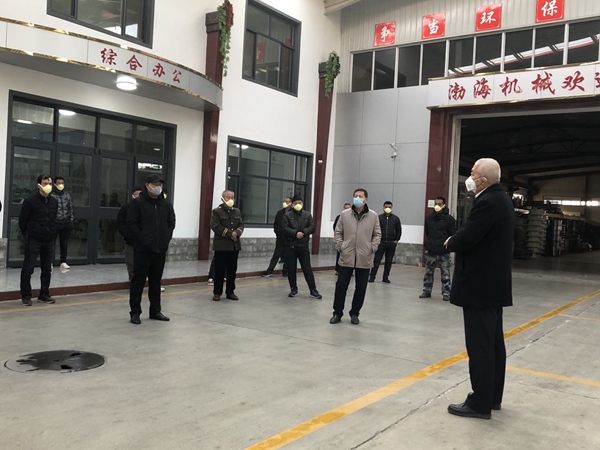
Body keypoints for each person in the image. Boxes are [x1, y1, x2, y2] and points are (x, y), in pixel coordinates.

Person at [445, 158, 514, 420]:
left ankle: (480, 403)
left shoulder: (487, 202)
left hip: (480, 287)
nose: (470, 177)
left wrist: (452, 241)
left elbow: (468, 237)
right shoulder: (502, 199)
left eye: (473, 173)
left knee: (480, 347)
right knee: (493, 344)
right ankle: (492, 396)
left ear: (483, 180)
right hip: (493, 287)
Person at [127, 174, 176, 324]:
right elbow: (131, 224)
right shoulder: (137, 203)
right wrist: (142, 239)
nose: (158, 187)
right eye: (155, 184)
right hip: (142, 250)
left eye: (160, 184)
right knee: (138, 281)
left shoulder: (165, 205)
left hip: (159, 250)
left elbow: (171, 223)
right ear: (147, 185)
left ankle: (155, 311)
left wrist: (165, 239)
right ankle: (135, 312)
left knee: (156, 282)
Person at [330, 188, 381, 325]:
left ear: (366, 199)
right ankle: (337, 313)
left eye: (360, 196)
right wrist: (341, 246)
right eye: (355, 196)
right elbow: (338, 232)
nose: (357, 198)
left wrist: (372, 248)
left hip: (364, 258)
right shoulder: (344, 214)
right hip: (346, 257)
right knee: (341, 286)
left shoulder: (373, 216)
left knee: (361, 288)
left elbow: (377, 234)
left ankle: (354, 313)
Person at [19, 174, 59, 306]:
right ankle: (26, 295)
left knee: (47, 269)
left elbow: (54, 219)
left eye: (50, 183)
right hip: (34, 239)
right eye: (45, 183)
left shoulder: (54, 202)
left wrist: (53, 233)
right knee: (28, 268)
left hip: (49, 240)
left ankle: (44, 294)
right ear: (39, 185)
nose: (48, 185)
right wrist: (29, 234)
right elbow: (22, 221)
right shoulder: (30, 201)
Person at [281, 195, 322, 299]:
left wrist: (303, 232)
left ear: (302, 203)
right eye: (295, 203)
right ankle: (293, 289)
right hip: (291, 246)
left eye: (300, 203)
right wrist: (295, 233)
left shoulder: (307, 215)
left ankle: (313, 290)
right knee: (291, 269)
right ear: (292, 204)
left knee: (307, 268)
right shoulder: (287, 215)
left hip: (303, 246)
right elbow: (285, 228)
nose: (298, 205)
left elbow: (312, 227)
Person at [420, 196, 456, 301]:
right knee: (428, 272)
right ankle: (426, 291)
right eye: (435, 204)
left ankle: (446, 293)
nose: (437, 206)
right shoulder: (429, 218)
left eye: (439, 204)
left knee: (445, 273)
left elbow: (452, 234)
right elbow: (427, 232)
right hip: (431, 250)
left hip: (443, 251)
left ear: (444, 205)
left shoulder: (449, 219)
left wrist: (447, 246)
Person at [210, 190, 244, 301]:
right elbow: (215, 226)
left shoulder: (237, 211)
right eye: (227, 197)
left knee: (232, 270)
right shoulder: (217, 211)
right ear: (223, 198)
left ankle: (230, 291)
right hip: (222, 246)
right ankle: (217, 292)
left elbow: (241, 225)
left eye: (232, 197)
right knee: (219, 270)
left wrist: (237, 233)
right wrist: (230, 234)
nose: (230, 200)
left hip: (234, 246)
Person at [369, 201, 402, 283]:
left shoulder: (396, 218)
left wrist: (396, 240)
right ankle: (372, 277)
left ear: (392, 208)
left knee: (388, 261)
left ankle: (385, 277)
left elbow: (399, 230)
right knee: (376, 261)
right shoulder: (379, 218)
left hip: (391, 243)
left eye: (389, 207)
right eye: (386, 207)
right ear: (383, 208)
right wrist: (375, 240)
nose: (388, 208)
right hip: (381, 242)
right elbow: (374, 229)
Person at [117, 186, 143, 281]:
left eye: (141, 194)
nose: (139, 196)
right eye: (137, 194)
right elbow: (121, 223)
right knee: (131, 263)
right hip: (131, 241)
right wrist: (127, 235)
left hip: (144, 242)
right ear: (132, 196)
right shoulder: (126, 208)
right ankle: (133, 281)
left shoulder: (147, 208)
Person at [263, 197, 292, 277]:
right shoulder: (280, 213)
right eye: (284, 201)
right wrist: (277, 233)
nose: (285, 203)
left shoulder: (292, 213)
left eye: (287, 202)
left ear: (291, 203)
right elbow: (276, 224)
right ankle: (270, 271)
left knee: (287, 256)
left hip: (289, 239)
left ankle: (285, 271)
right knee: (276, 254)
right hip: (280, 238)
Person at [50, 176, 74, 270]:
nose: (60, 185)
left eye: (62, 183)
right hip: (55, 223)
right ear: (55, 184)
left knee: (64, 244)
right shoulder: (51, 195)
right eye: (58, 183)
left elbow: (71, 208)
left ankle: (63, 261)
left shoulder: (67, 195)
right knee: (51, 244)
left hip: (65, 223)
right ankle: (49, 262)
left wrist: (71, 220)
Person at [333, 203, 351, 274]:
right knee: (339, 255)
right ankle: (338, 269)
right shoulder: (339, 217)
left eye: (348, 208)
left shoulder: (353, 218)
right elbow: (335, 228)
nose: (347, 210)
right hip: (342, 240)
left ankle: (349, 270)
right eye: (345, 208)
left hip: (350, 240)